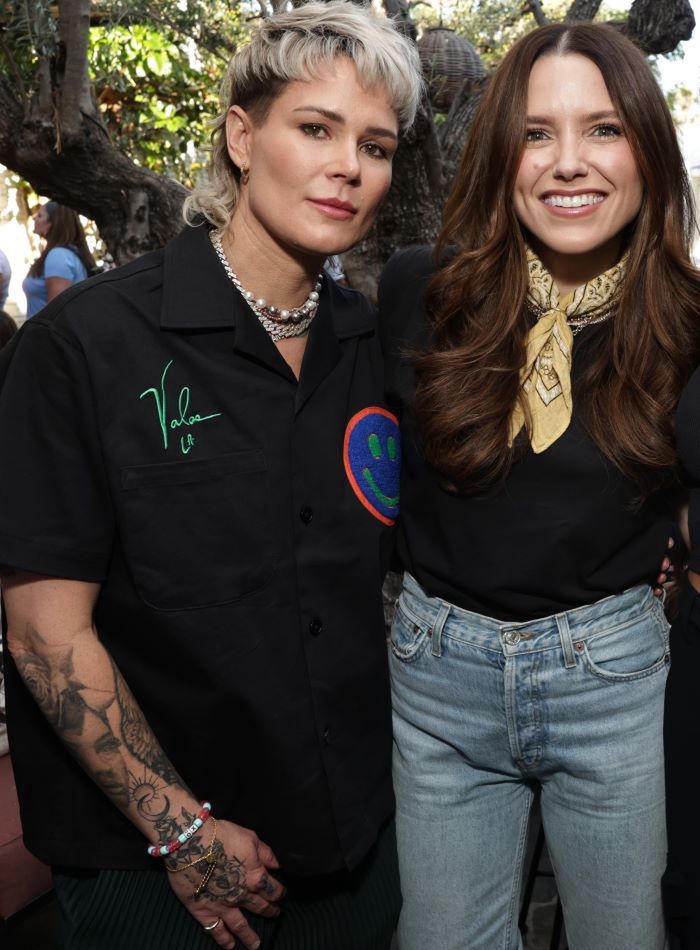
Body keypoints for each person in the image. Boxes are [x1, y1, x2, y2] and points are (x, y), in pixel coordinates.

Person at [0, 4, 421, 949]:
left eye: (377, 145)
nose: (349, 166)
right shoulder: (89, 346)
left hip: (357, 857)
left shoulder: (375, 349)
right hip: (151, 876)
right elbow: (41, 633)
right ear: (241, 135)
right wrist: (182, 832)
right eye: (315, 128)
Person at [379, 22, 700, 950]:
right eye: (534, 133)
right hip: (437, 684)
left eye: (603, 129)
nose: (568, 163)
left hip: (615, 686)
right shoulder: (419, 290)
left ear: (647, 146)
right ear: (499, 154)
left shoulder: (687, 321)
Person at [22, 201, 95, 318]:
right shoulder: (63, 253)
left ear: (53, 224)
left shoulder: (58, 256)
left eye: (40, 216)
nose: (34, 218)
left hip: (45, 335)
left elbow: (55, 314)